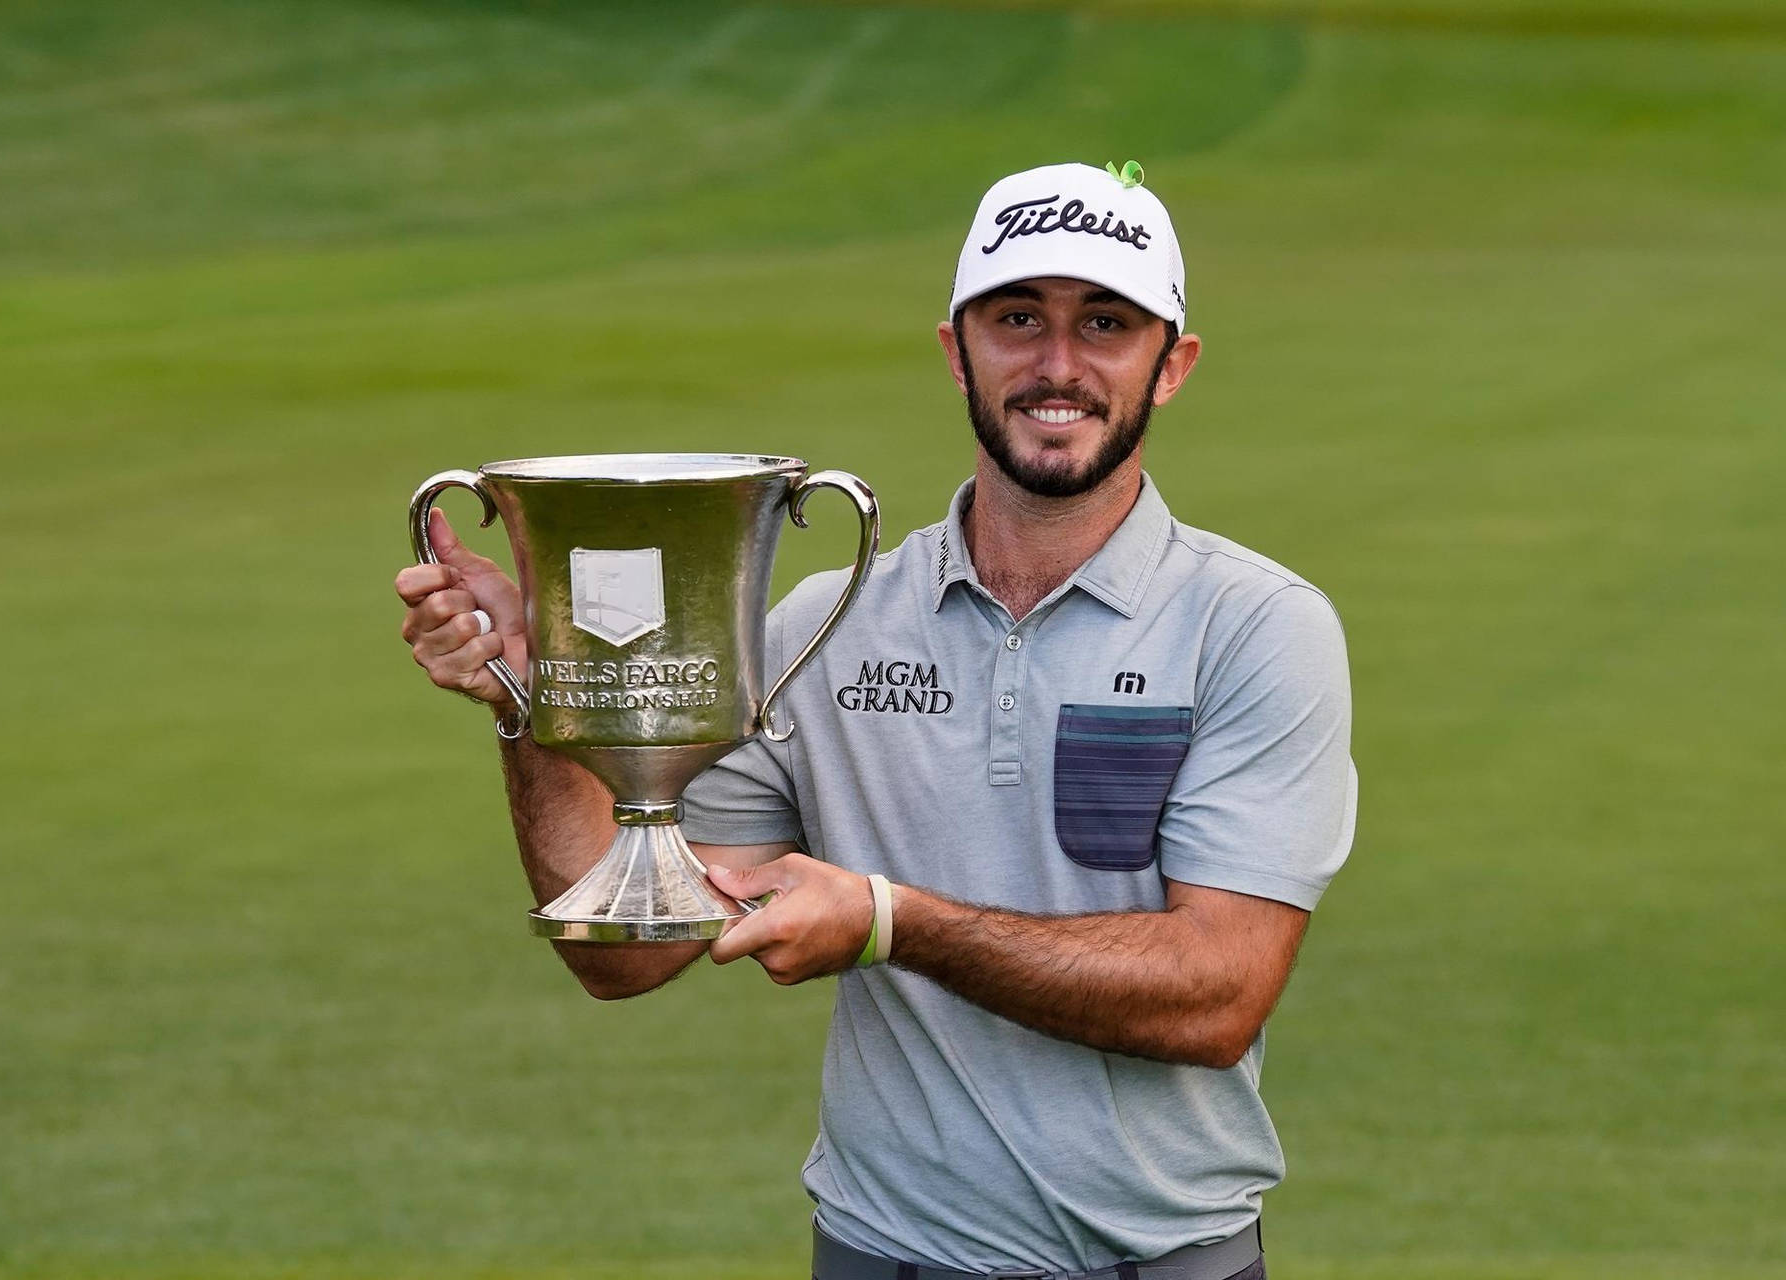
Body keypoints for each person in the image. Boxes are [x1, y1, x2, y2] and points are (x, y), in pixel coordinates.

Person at [395, 161, 1356, 1280]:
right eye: (1016, 319)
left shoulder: (1254, 625)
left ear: (1172, 362)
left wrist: (893, 919)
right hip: (878, 1254)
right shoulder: (830, 622)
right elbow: (626, 955)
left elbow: (1217, 991)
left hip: (1165, 1259)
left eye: (1105, 322)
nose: (1057, 364)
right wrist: (533, 696)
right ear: (957, 350)